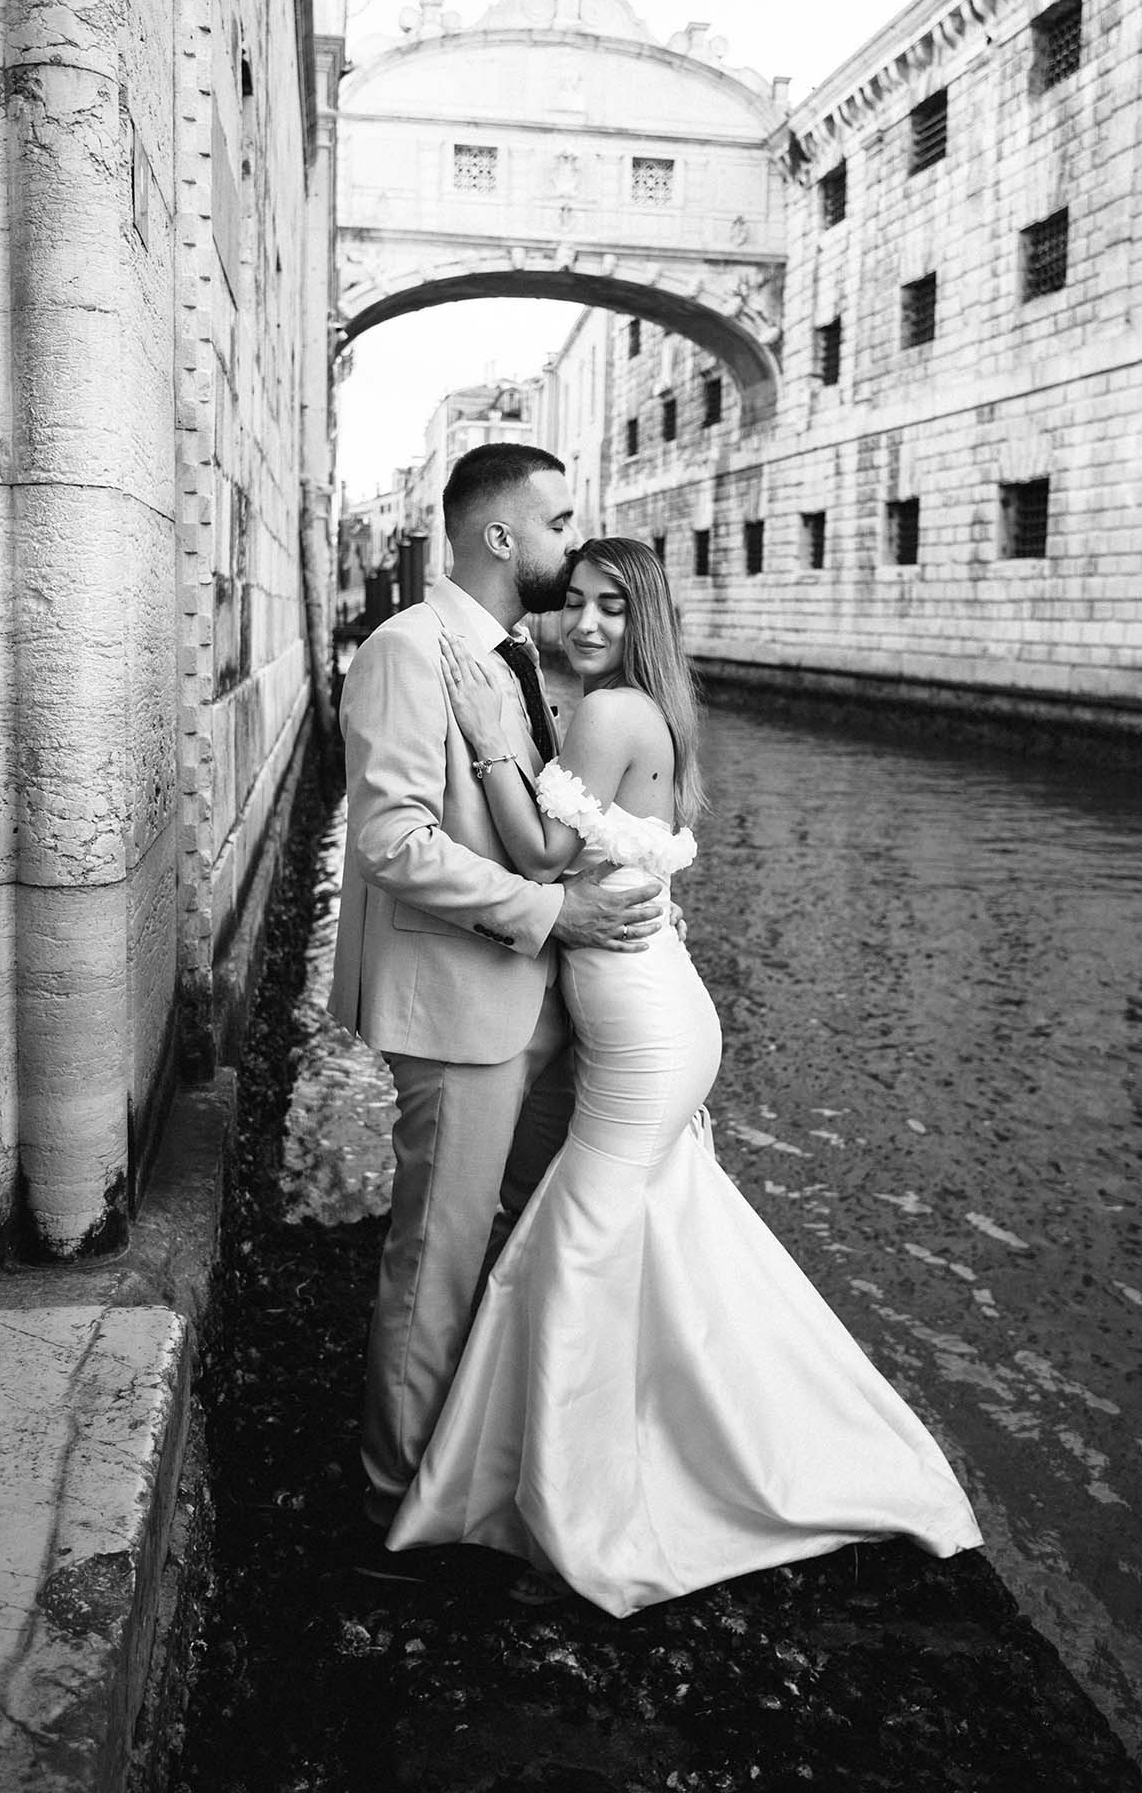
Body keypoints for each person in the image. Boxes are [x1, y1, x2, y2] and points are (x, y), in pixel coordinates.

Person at [386, 536, 983, 1615]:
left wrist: (482, 742)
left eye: (611, 607)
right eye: (571, 602)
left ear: (644, 619)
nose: (584, 624)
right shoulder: (641, 713)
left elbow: (534, 858)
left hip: (644, 1021)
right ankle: (658, 1441)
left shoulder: (611, 714)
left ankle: (579, 1502)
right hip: (653, 1003)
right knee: (652, 1230)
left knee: (574, 1236)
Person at [328, 447, 666, 1535]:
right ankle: (395, 1504)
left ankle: (478, 1462)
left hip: (529, 999)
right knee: (435, 1260)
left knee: (522, 1240)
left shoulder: (513, 653)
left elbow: (547, 825)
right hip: (460, 1006)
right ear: (502, 537)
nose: (572, 543)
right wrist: (551, 915)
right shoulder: (404, 647)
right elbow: (389, 838)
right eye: (560, 523)